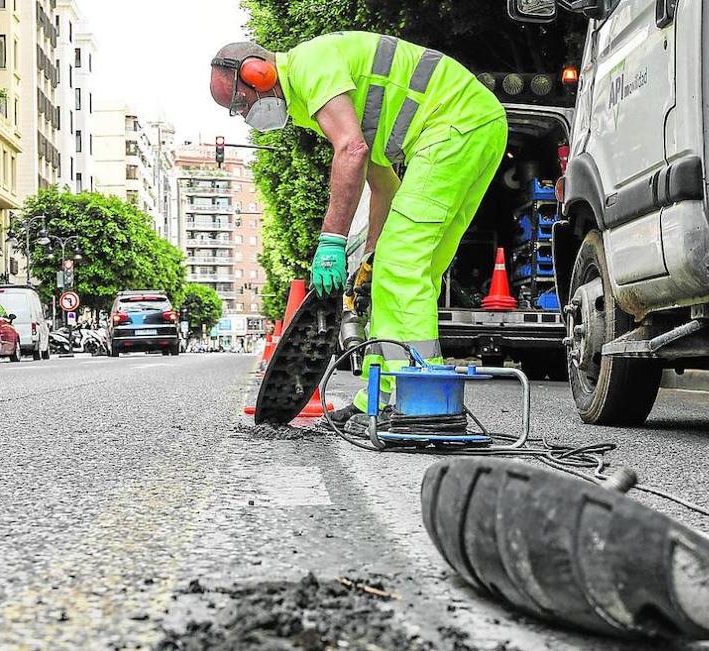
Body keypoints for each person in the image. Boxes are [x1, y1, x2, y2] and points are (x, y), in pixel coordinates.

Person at [210, 32, 508, 428]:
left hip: (451, 127)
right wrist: (369, 257)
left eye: (241, 103)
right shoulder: (309, 99)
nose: (246, 114)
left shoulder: (309, 66)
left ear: (258, 73)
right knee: (402, 270)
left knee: (400, 265)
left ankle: (419, 403)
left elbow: (352, 150)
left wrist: (331, 241)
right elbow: (383, 183)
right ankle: (379, 400)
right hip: (478, 125)